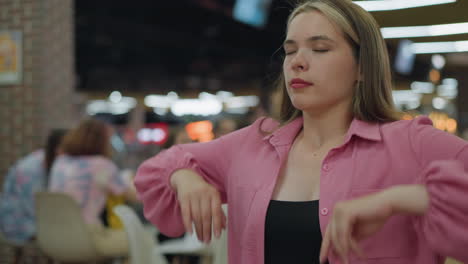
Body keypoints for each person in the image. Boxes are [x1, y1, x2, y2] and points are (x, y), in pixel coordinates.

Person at [134, 0, 468, 263]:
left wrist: (400, 200)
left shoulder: (409, 143)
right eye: (291, 50)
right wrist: (184, 176)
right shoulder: (252, 145)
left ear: (362, 68)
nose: (297, 62)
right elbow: (156, 170)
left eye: (320, 49)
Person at [49, 118, 137, 257]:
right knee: (139, 240)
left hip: (51, 237)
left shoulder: (60, 162)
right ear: (102, 141)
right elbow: (132, 196)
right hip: (86, 236)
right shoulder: (101, 165)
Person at [0, 129, 67, 244]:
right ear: (58, 149)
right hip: (17, 223)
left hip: (33, 218)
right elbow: (30, 206)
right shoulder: (31, 170)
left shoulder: (51, 162)